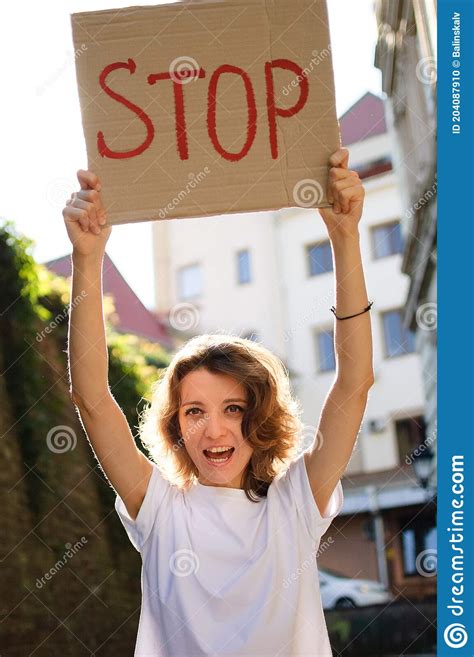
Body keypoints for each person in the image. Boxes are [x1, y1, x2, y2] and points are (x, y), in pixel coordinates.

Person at [63, 147, 374, 656]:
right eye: (194, 411)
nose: (214, 431)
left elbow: (355, 383)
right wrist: (87, 258)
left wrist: (344, 236)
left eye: (233, 409)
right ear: (175, 426)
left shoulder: (294, 503)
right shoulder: (160, 508)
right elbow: (92, 398)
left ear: (260, 419)